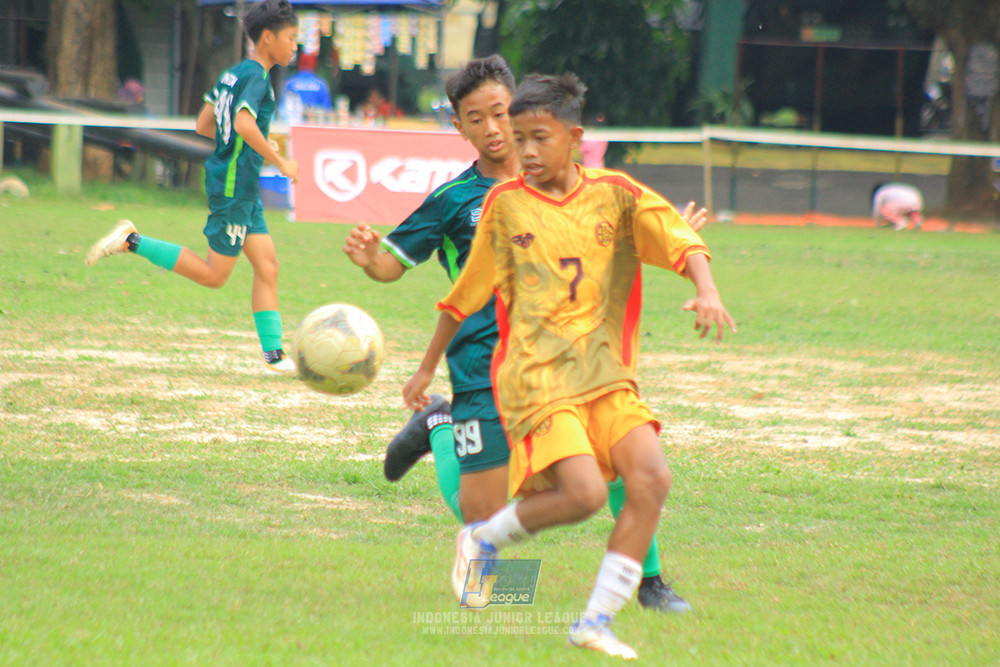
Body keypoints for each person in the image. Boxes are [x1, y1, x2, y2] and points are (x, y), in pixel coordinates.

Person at [343, 56, 707, 617]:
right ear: (459, 128)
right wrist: (372, 260)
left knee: (613, 456)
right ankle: (441, 426)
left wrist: (666, 236)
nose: (492, 128)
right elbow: (393, 264)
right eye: (475, 118)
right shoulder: (453, 201)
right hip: (481, 365)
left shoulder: (565, 177)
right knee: (483, 554)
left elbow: (620, 226)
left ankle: (651, 582)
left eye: (498, 113)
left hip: (567, 357)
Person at [85, 0, 301, 373]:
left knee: (268, 266)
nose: (295, 46)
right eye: (291, 38)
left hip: (241, 187)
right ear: (268, 38)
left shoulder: (232, 75)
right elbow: (246, 125)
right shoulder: (257, 79)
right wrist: (277, 158)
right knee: (214, 275)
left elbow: (204, 124)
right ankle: (130, 241)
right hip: (234, 187)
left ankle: (274, 355)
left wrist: (243, 144)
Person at [277, 52, 332, 124]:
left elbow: (282, 109)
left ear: (299, 63)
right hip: (315, 125)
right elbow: (327, 110)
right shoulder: (321, 84)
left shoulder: (290, 83)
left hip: (293, 125)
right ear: (314, 64)